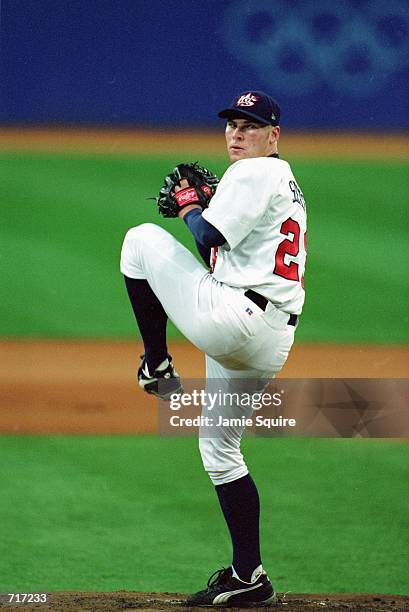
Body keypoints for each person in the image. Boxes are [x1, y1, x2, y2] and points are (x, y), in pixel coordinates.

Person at [120, 90, 307, 606]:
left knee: (138, 241)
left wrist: (191, 206)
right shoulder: (281, 181)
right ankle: (250, 575)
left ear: (274, 135)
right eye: (231, 124)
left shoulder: (256, 172)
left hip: (237, 320)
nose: (236, 132)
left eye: (249, 125)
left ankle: (156, 363)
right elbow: (226, 243)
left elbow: (207, 236)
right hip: (269, 338)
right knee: (221, 452)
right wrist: (204, 203)